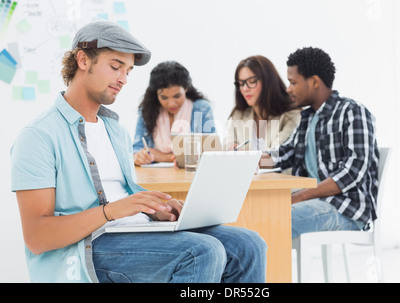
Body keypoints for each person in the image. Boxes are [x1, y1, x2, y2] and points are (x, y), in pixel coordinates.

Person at [10, 21, 266, 283]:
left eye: (128, 71)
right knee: (201, 252)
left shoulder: (115, 130)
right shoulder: (38, 136)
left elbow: (123, 196)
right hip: (88, 246)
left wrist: (153, 209)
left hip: (135, 231)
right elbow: (37, 237)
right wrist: (112, 211)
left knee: (249, 245)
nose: (123, 79)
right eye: (115, 66)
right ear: (83, 60)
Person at [261, 47, 379, 238]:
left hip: (345, 207)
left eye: (293, 82)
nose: (288, 89)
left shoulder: (352, 111)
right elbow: (283, 155)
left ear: (315, 81)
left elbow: (353, 172)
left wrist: (300, 196)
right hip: (314, 202)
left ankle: (273, 269)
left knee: (275, 219)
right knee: (256, 213)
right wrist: (246, 160)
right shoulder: (307, 118)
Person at [133, 61, 216, 165]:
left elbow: (211, 151)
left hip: (189, 176)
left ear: (186, 88)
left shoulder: (201, 108)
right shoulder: (147, 110)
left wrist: (160, 156)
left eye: (177, 96)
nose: (171, 104)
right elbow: (137, 149)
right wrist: (138, 157)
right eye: (164, 97)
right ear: (156, 94)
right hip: (154, 177)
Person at [226, 55, 301, 151]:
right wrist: (230, 149)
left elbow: (277, 156)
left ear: (268, 81)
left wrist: (244, 157)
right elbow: (228, 147)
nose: (244, 89)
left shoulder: (292, 116)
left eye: (252, 81)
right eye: (241, 83)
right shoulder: (238, 115)